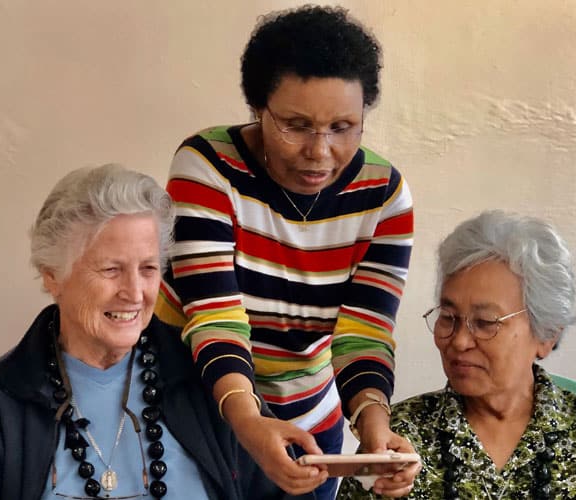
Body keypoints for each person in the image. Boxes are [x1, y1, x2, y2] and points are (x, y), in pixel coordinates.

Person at [154, 5, 418, 498]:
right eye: (295, 125)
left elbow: (364, 333)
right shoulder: (208, 167)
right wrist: (248, 421)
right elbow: (215, 319)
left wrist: (373, 427)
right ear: (258, 107)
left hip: (309, 420)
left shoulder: (385, 196)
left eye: (343, 127)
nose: (320, 151)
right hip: (192, 405)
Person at [0, 164, 312, 500]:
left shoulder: (206, 380)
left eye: (148, 269)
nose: (135, 293)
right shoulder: (4, 396)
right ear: (53, 276)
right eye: (111, 270)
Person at [337, 210, 576, 499]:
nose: (460, 341)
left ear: (546, 334)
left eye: (484, 323)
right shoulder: (398, 439)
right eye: (448, 316)